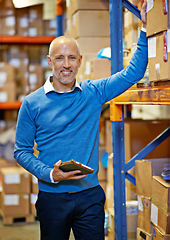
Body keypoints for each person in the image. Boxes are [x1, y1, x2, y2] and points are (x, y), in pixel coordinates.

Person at [14, 1, 147, 240]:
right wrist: (50, 174)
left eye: (72, 58)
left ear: (80, 61)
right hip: (52, 197)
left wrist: (146, 29)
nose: (66, 65)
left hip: (89, 197)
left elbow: (133, 73)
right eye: (60, 58)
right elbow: (21, 151)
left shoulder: (94, 93)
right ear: (49, 61)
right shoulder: (32, 103)